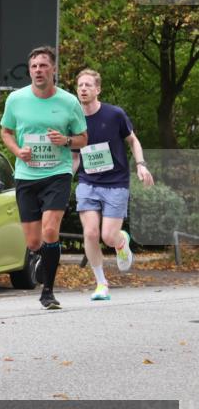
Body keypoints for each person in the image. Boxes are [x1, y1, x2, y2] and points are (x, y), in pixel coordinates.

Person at [0, 45, 88, 310]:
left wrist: (66, 140)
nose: (38, 70)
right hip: (26, 174)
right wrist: (18, 151)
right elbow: (6, 132)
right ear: (29, 71)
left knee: (50, 230)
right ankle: (43, 257)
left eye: (43, 65)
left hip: (57, 173)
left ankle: (48, 292)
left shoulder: (69, 102)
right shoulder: (16, 99)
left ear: (53, 69)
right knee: (33, 241)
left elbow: (83, 138)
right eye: (34, 66)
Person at [72, 68, 154, 301]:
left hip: (116, 182)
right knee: (90, 233)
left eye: (88, 85)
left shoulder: (114, 114)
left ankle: (120, 241)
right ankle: (101, 284)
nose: (84, 89)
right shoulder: (74, 119)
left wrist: (141, 165)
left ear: (98, 89)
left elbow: (133, 141)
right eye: (80, 85)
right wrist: (64, 177)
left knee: (108, 236)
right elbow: (75, 157)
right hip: (88, 182)